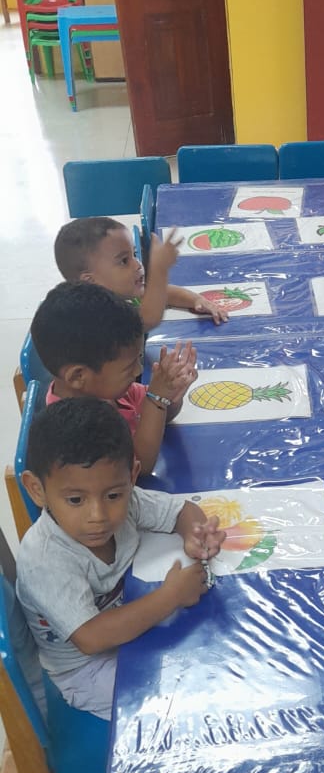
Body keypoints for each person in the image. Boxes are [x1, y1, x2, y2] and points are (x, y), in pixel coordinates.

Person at [16, 398, 225, 720]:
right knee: (182, 701)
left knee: (211, 653)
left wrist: (195, 535)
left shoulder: (124, 498)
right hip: (86, 670)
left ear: (132, 475)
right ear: (37, 489)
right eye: (76, 500)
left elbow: (181, 510)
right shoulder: (44, 559)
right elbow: (91, 637)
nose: (98, 515)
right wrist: (170, 596)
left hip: (130, 624)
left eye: (113, 495)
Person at [31, 282, 197, 474]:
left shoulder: (107, 389)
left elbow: (162, 415)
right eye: (129, 367)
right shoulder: (75, 430)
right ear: (78, 376)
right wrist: (157, 401)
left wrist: (170, 393)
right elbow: (139, 467)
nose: (138, 371)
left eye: (138, 359)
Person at [53, 217, 228, 329]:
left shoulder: (121, 292)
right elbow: (147, 319)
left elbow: (162, 293)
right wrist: (159, 269)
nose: (137, 265)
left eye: (134, 254)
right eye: (124, 261)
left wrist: (197, 300)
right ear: (90, 281)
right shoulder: (96, 315)